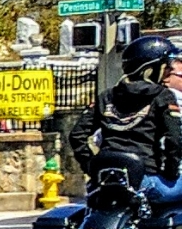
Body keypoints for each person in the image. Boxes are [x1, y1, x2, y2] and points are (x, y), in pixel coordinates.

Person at [68, 33, 182, 192]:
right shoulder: (163, 96)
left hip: (105, 178)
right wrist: (170, 172)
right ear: (150, 69)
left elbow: (77, 135)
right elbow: (174, 140)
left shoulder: (106, 96)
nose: (169, 71)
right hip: (145, 178)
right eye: (166, 66)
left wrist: (91, 167)